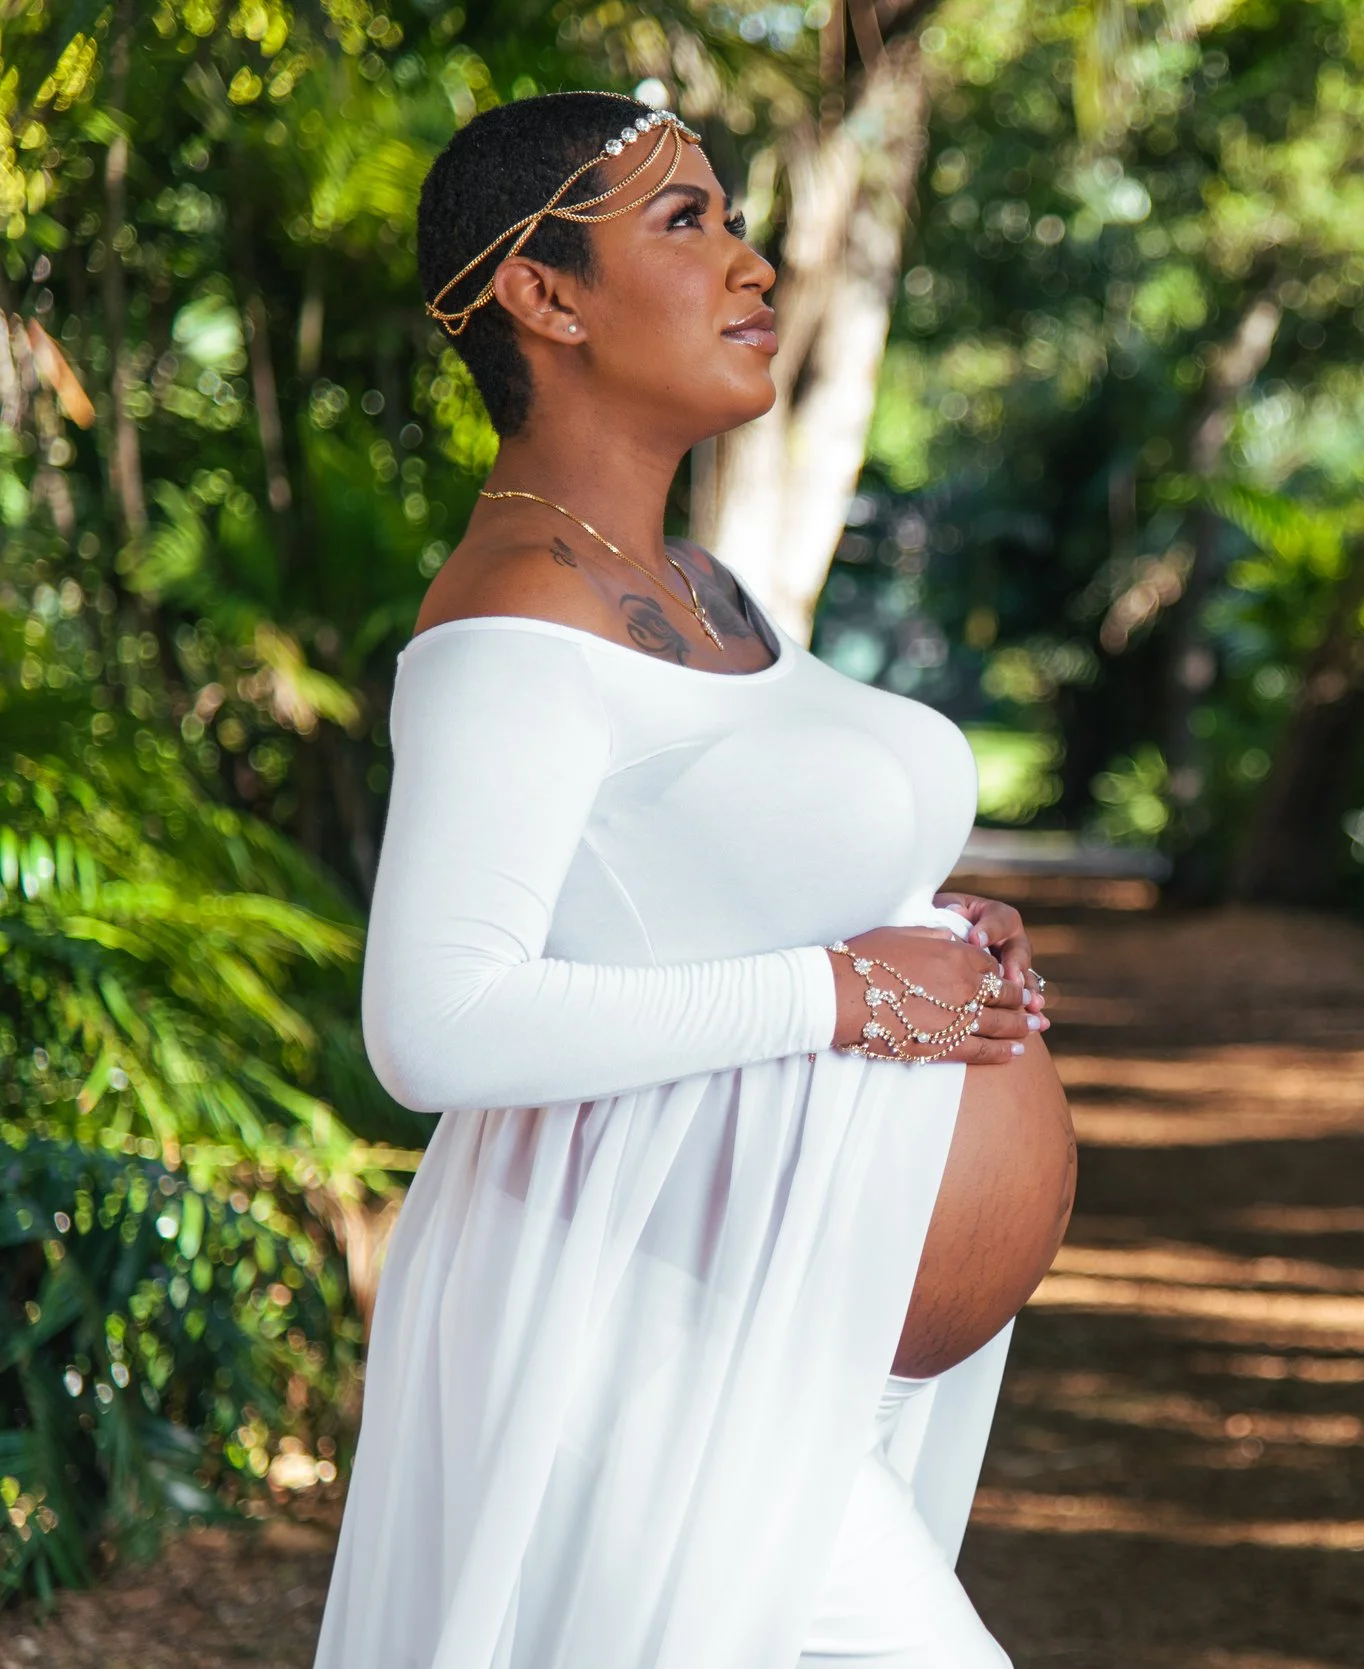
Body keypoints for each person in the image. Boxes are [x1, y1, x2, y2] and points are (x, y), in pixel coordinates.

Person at [312, 91, 1077, 1669]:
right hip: (638, 1340)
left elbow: (691, 877)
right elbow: (434, 1028)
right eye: (688, 223)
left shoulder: (699, 587)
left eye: (733, 218)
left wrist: (928, 923)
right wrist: (843, 991)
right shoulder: (513, 624)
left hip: (791, 1331)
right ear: (545, 296)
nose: (753, 264)